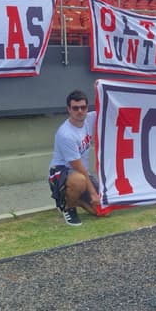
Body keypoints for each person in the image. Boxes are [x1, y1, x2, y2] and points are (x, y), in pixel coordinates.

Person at [48, 89, 108, 226]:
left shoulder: (90, 119)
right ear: (69, 109)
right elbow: (79, 169)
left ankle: (77, 199)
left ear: (87, 108)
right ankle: (68, 207)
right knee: (79, 180)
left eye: (83, 107)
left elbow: (109, 108)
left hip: (81, 173)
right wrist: (93, 193)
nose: (80, 111)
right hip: (60, 174)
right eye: (75, 108)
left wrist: (101, 87)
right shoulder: (66, 134)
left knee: (102, 211)